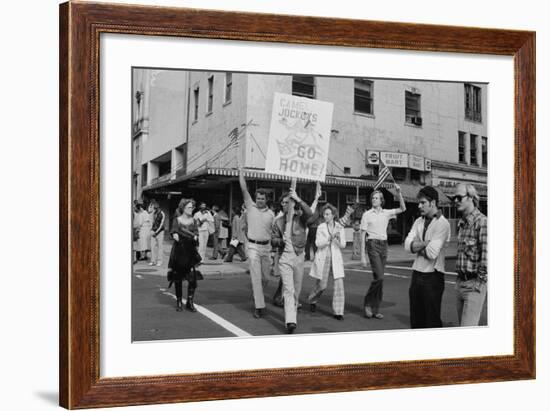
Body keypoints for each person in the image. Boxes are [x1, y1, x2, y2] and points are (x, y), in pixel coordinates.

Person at [404, 186, 451, 329]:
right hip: (416, 273)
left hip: (433, 276)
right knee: (416, 320)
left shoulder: (443, 223)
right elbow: (406, 246)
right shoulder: (418, 221)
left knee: (432, 321)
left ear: (433, 203)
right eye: (419, 203)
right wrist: (425, 243)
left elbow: (432, 253)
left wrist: (416, 246)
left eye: (423, 202)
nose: (419, 206)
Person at [271, 184, 314, 333]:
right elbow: (273, 240)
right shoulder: (278, 221)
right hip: (285, 258)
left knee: (296, 291)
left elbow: (312, 215)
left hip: (299, 257)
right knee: (288, 290)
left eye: (287, 202)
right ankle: (290, 321)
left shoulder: (300, 218)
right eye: (282, 203)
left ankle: (292, 315)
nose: (284, 205)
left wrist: (298, 198)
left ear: (292, 204)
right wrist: (280, 240)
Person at [360, 187, 406, 319]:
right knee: (380, 277)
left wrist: (399, 193)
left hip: (384, 245)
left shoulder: (386, 213)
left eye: (376, 198)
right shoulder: (367, 214)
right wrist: (363, 256)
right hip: (372, 244)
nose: (374, 200)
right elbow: (362, 235)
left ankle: (375, 309)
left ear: (381, 201)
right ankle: (368, 303)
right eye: (373, 198)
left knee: (379, 279)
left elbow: (403, 209)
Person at [238, 165, 275, 318]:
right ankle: (259, 307)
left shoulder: (272, 214)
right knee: (256, 277)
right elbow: (244, 189)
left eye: (262, 199)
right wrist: (241, 172)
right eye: (258, 198)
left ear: (266, 200)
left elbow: (275, 232)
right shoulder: (250, 207)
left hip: (266, 248)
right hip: (252, 247)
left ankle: (257, 290)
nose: (259, 201)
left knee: (266, 278)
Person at [453, 184, 488, 326]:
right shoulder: (462, 223)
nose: (455, 201)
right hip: (460, 283)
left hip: (473, 285)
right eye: (454, 198)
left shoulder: (482, 222)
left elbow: (487, 258)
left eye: (459, 197)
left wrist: (478, 286)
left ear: (472, 198)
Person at [307, 203, 347, 320]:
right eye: (324, 214)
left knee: (339, 285)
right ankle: (312, 300)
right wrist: (329, 238)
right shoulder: (321, 227)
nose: (326, 216)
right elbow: (318, 243)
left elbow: (343, 245)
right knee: (322, 285)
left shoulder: (339, 227)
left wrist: (338, 239)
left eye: (328, 214)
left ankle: (338, 312)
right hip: (323, 259)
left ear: (333, 215)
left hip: (336, 259)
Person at [168, 198, 202, 312]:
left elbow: (196, 232)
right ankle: (178, 302)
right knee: (178, 278)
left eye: (192, 207)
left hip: (190, 251)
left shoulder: (194, 220)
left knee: (192, 279)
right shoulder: (177, 220)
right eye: (189, 207)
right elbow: (173, 231)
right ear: (183, 208)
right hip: (179, 251)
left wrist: (196, 236)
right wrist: (174, 235)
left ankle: (190, 302)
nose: (191, 209)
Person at [149, 199, 165, 267]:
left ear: (155, 207)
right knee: (152, 247)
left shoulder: (162, 213)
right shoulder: (152, 213)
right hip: (153, 231)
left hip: (160, 232)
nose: (150, 208)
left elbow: (161, 224)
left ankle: (159, 261)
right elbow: (152, 223)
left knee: (160, 246)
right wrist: (151, 231)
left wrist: (155, 232)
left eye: (151, 206)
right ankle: (153, 261)